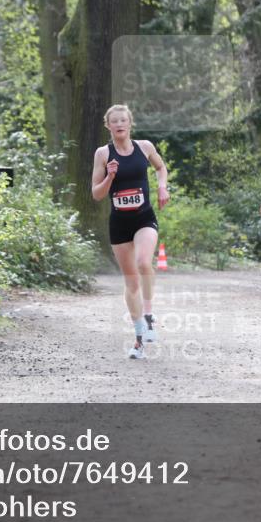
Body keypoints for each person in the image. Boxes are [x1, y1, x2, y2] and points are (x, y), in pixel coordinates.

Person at [91, 104, 169, 360]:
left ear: (129, 123)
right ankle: (138, 339)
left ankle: (148, 316)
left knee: (144, 261)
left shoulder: (144, 147)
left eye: (124, 120)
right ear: (108, 126)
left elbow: (160, 168)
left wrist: (161, 187)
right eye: (115, 121)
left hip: (144, 217)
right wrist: (110, 178)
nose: (120, 124)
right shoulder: (103, 154)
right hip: (119, 224)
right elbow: (96, 194)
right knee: (131, 282)